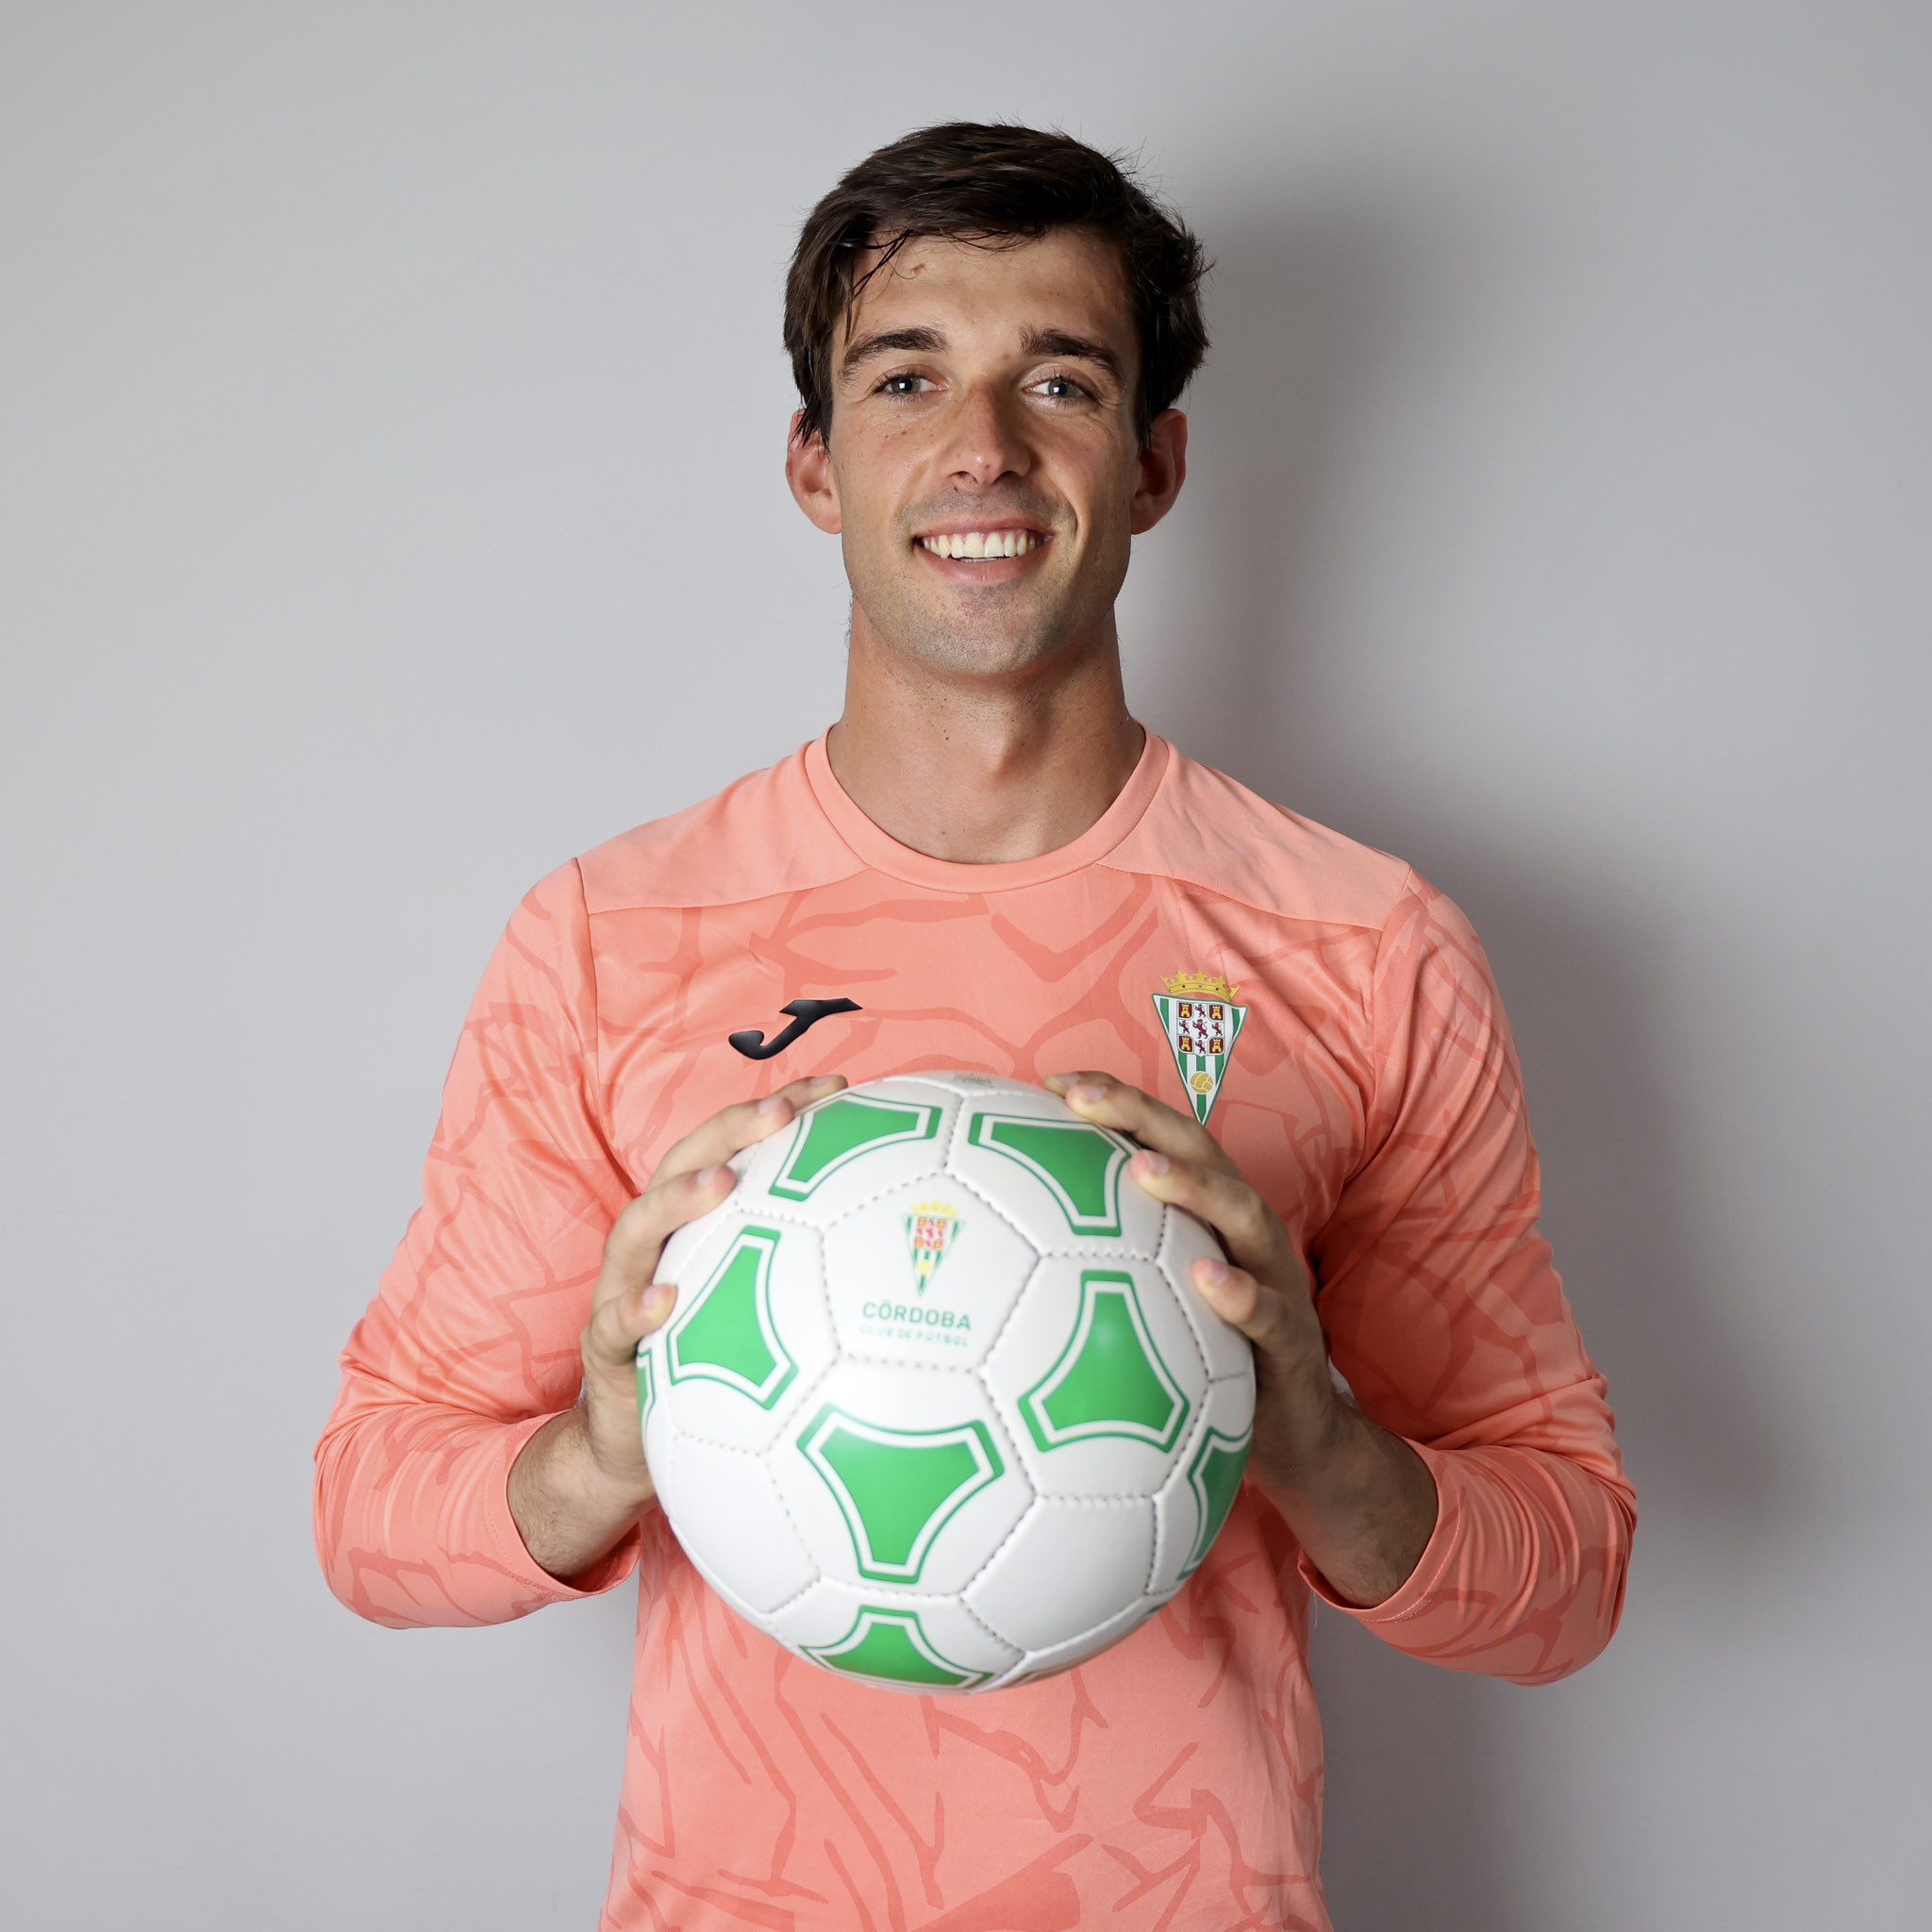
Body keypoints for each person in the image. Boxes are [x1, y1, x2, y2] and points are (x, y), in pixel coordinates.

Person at [313, 119, 1637, 1931]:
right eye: (906, 376)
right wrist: (604, 1454)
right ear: (814, 459)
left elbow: (1569, 1582)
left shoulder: (1361, 947)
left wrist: (1318, 1442)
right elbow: (370, 1516)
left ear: (1155, 463)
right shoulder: (614, 939)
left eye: (1062, 380)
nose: (983, 448)